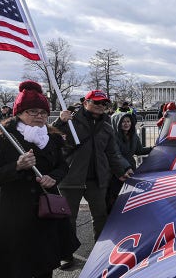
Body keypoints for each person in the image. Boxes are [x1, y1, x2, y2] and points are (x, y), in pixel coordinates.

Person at [0, 80, 79, 277]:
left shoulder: (52, 138)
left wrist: (54, 177)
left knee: (45, 265)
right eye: (32, 111)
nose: (39, 116)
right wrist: (16, 166)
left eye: (43, 112)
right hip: (13, 214)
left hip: (47, 212)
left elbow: (62, 165)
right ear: (19, 113)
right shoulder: (2, 138)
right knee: (16, 267)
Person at [53, 89, 133, 268]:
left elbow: (112, 152)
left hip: (97, 178)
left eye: (103, 103)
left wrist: (123, 168)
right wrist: (60, 121)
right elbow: (51, 139)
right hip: (71, 177)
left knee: (101, 215)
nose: (100, 106)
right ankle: (67, 253)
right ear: (85, 102)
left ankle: (102, 252)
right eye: (95, 102)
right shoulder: (71, 120)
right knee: (68, 218)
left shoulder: (107, 125)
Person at [107, 112, 153, 213]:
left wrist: (153, 149)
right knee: (115, 197)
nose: (126, 124)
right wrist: (127, 167)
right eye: (123, 122)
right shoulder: (112, 137)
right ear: (117, 123)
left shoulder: (134, 136)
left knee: (129, 196)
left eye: (128, 121)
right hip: (116, 171)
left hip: (130, 168)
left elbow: (139, 151)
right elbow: (116, 154)